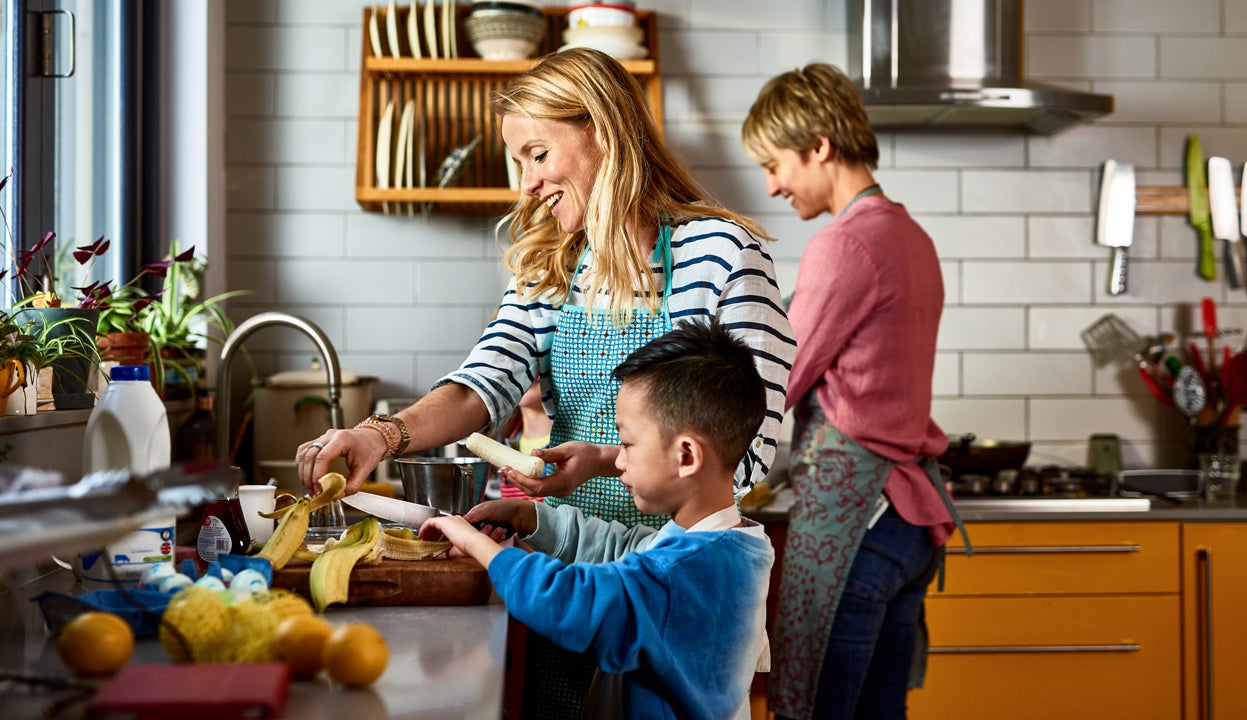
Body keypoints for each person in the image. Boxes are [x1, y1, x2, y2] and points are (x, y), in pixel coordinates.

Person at [298, 47, 795, 718]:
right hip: (562, 575)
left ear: (600, 130)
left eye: (537, 154)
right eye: (519, 163)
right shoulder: (549, 265)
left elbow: (747, 448)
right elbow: (485, 383)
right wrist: (378, 436)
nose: (526, 185)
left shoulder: (725, 254)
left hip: (674, 590)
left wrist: (613, 470)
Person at [741, 63, 965, 720]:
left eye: (775, 163)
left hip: (856, 522)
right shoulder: (912, 237)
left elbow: (777, 377)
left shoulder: (843, 245)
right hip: (907, 526)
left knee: (813, 712)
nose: (772, 183)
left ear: (819, 146)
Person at [423, 318, 774, 720]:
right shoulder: (731, 543)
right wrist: (531, 516)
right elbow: (622, 548)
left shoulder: (681, 571)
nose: (617, 461)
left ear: (687, 456)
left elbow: (568, 599)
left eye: (626, 444)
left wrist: (472, 542)